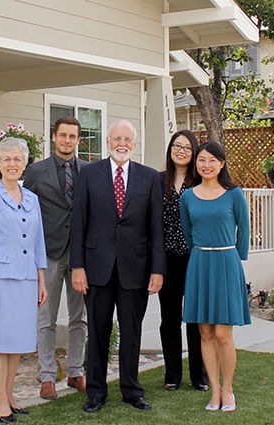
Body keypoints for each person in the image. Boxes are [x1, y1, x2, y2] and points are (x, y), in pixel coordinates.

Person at [70, 120, 165, 413]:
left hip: (134, 270)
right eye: (117, 139)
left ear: (134, 144)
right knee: (97, 333)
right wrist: (77, 267)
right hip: (96, 269)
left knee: (132, 332)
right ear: (108, 142)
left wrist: (157, 269)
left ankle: (132, 390)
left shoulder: (150, 178)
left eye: (128, 139)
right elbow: (78, 223)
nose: (122, 143)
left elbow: (156, 229)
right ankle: (96, 393)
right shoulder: (89, 173)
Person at [0, 137, 49, 423]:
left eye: (17, 159)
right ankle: (0, 399)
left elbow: (39, 243)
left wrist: (41, 280)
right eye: (7, 159)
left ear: (25, 163)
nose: (12, 164)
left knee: (17, 341)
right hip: (0, 279)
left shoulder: (32, 198)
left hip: (27, 278)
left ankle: (11, 394)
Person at [180, 141, 251, 413]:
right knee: (205, 332)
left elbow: (243, 230)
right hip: (199, 263)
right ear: (196, 164)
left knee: (223, 333)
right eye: (201, 160)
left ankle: (229, 389)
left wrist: (237, 261)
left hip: (226, 263)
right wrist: (200, 253)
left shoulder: (234, 194)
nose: (206, 165)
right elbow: (188, 232)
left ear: (222, 164)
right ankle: (215, 390)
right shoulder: (188, 196)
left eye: (212, 160)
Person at [23, 116, 88, 400]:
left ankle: (75, 371)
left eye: (72, 136)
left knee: (79, 318)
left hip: (80, 257)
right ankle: (47, 375)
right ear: (53, 137)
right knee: (46, 318)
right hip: (48, 254)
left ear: (78, 140)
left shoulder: (88, 171)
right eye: (63, 135)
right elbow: (23, 210)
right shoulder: (36, 172)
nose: (67, 141)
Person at [158, 130, 209, 392]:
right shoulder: (158, 181)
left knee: (194, 317)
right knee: (170, 319)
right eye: (176, 146)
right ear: (170, 150)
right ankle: (172, 374)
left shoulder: (201, 181)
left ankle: (198, 375)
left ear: (194, 153)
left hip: (195, 258)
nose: (180, 151)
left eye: (186, 148)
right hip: (167, 261)